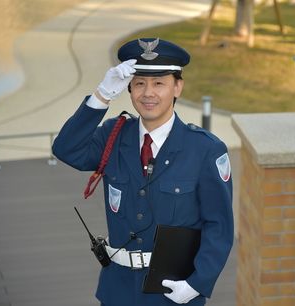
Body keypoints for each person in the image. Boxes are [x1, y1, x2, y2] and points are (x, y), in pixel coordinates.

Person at [52, 38, 234, 306]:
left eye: (159, 83)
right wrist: (101, 96)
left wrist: (197, 284)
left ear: (178, 87)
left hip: (174, 291)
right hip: (118, 290)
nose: (148, 93)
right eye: (139, 83)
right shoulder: (113, 137)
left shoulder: (205, 150)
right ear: (128, 88)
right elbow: (66, 149)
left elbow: (219, 226)